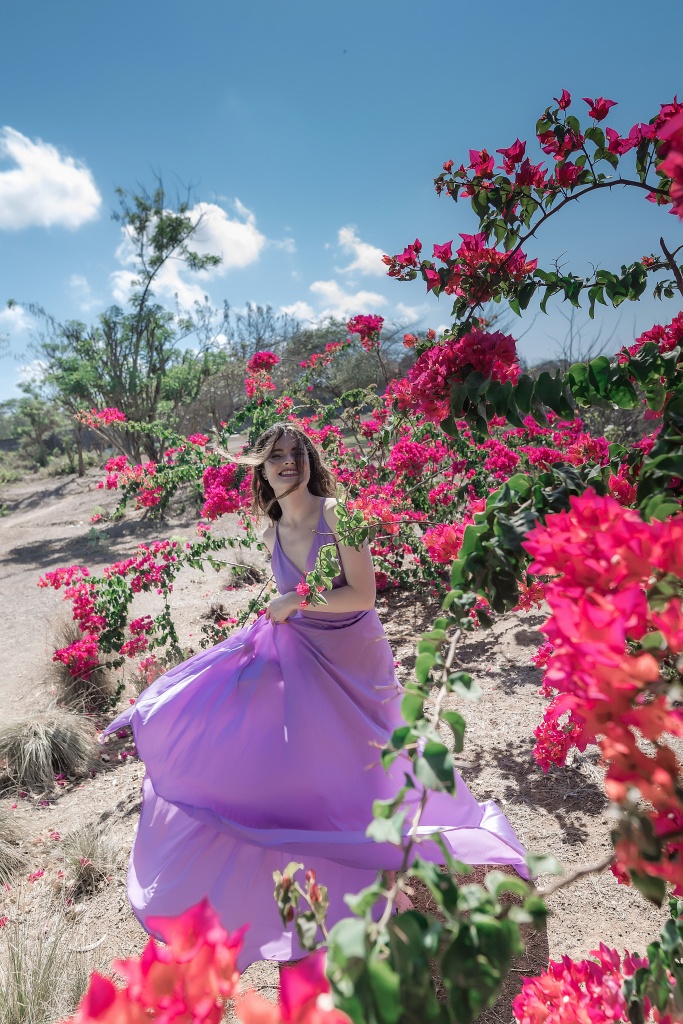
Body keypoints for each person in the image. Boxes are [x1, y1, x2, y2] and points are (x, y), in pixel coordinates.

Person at [102, 423, 528, 968]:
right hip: (305, 660)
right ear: (261, 468)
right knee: (323, 766)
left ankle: (402, 866)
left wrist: (295, 601)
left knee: (379, 759)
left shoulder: (339, 513)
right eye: (276, 455)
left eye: (296, 452)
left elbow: (363, 594)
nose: (288, 462)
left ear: (310, 460)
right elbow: (288, 607)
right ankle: (371, 882)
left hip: (357, 656)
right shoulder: (272, 532)